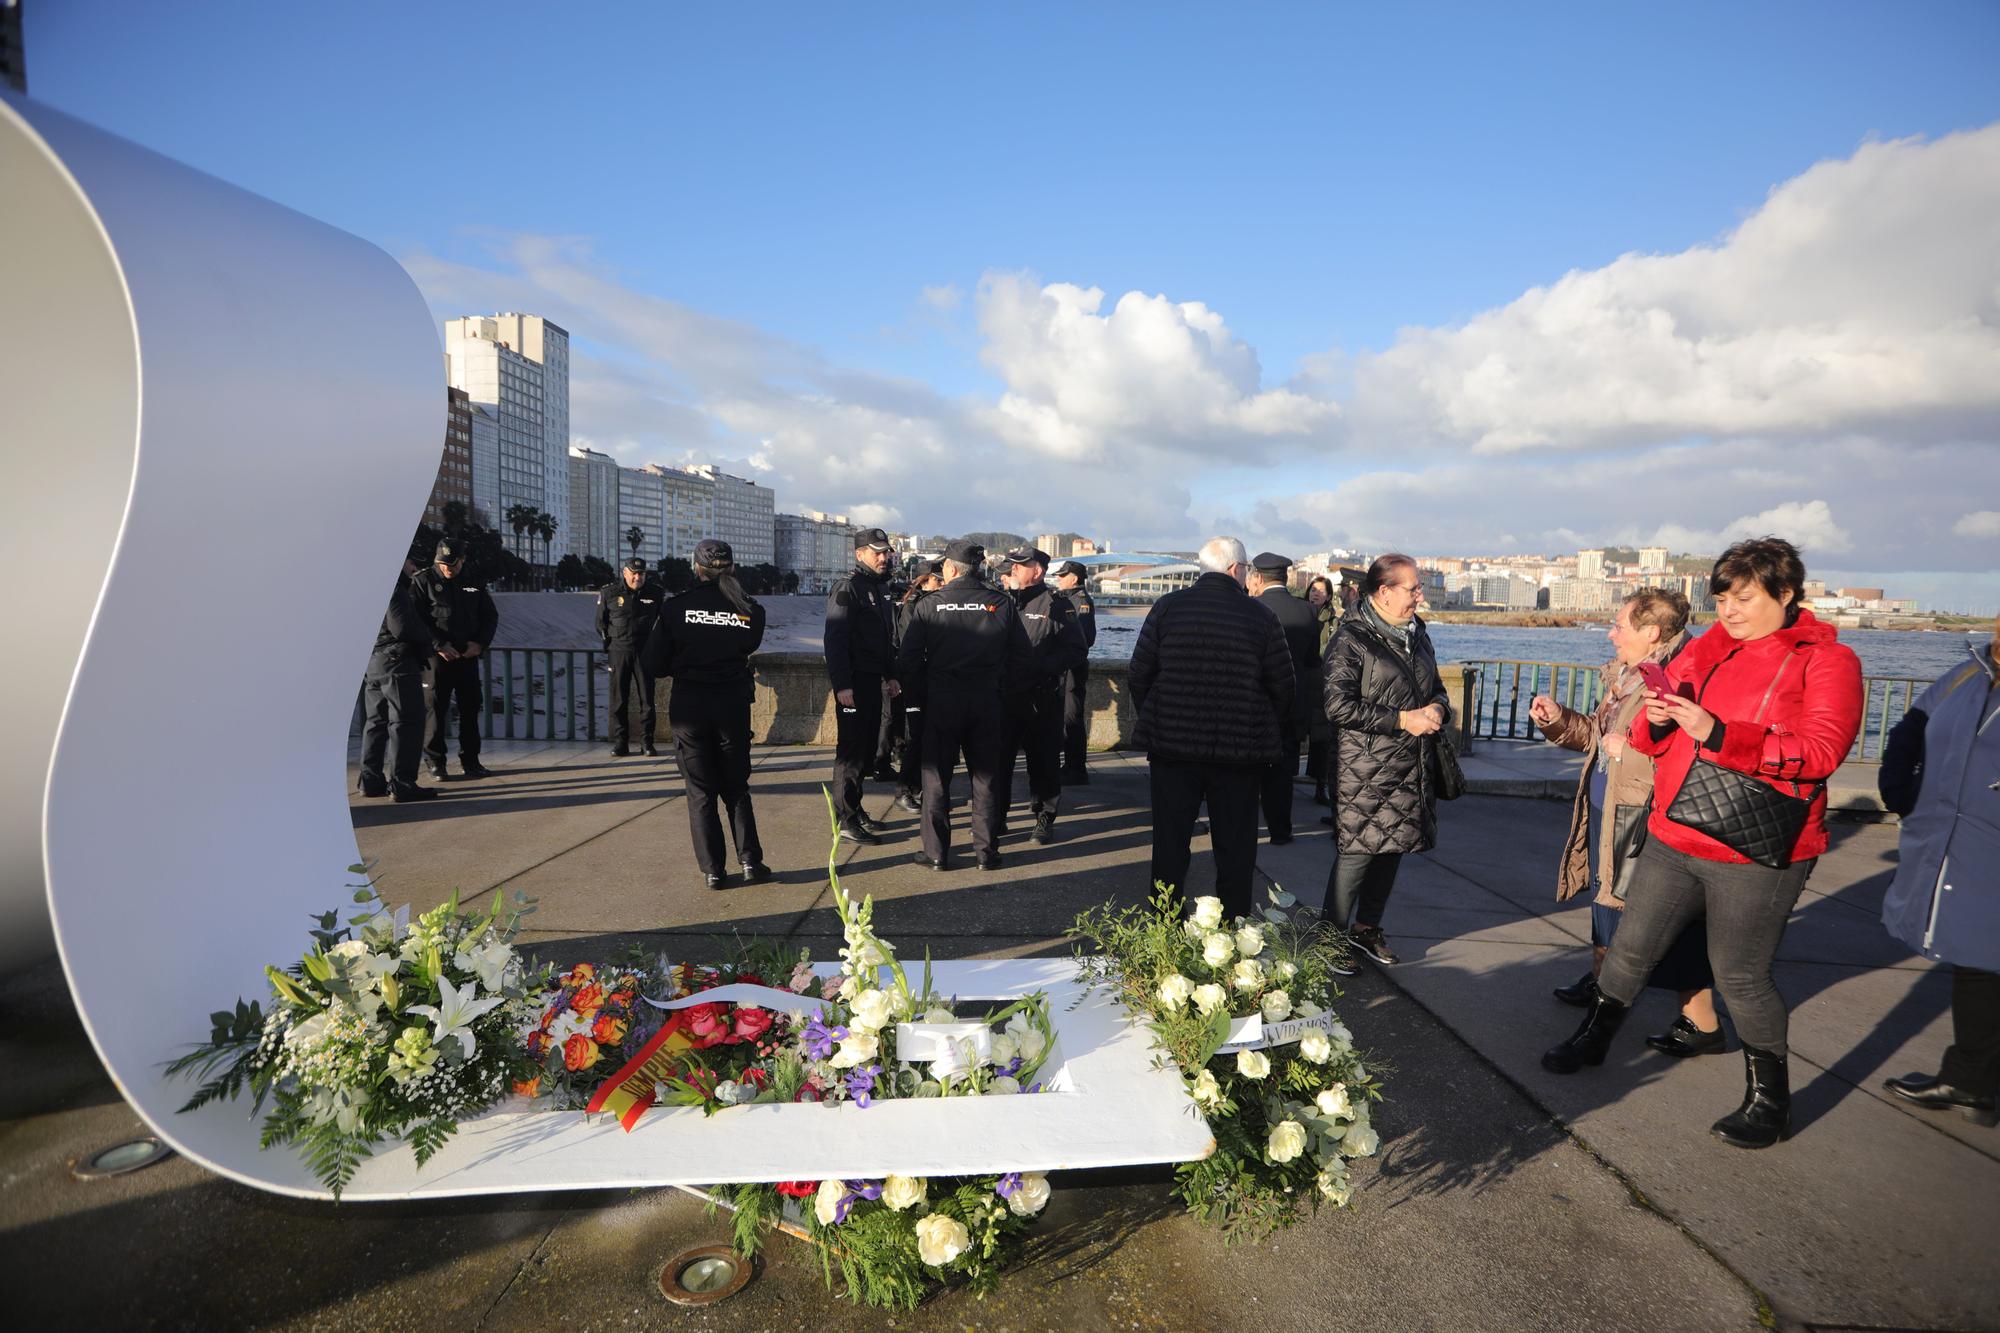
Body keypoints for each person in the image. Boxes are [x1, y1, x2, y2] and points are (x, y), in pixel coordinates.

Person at [1542, 536, 1863, 1152]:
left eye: (1744, 598)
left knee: (1741, 975)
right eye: (1722, 598)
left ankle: (1770, 1101)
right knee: (1631, 947)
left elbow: (1821, 754)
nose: (1730, 612)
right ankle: (1595, 1037)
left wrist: (1719, 732)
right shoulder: (1705, 652)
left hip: (1757, 845)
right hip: (1675, 828)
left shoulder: (1824, 661)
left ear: (1787, 594)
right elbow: (1647, 734)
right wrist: (1658, 721)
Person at [1529, 589, 1721, 1056]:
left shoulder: (1681, 678)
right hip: (1610, 802)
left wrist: (1630, 750)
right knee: (1607, 899)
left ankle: (1688, 1018)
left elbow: (1692, 755)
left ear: (1651, 633)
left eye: (1620, 626)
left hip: (1641, 812)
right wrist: (1558, 720)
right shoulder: (1631, 676)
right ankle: (1604, 983)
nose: (1611, 634)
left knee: (1657, 915)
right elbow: (1598, 737)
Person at [1876, 612, 2000, 1128]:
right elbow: (1913, 725)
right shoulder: (1973, 670)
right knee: (1977, 959)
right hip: (1960, 839)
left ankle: (1971, 1080)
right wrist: (1900, 789)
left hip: (1984, 839)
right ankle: (1969, 1082)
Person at [1129, 536, 1294, 919]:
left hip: (1173, 750)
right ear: (1237, 570)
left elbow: (1139, 674)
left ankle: (1165, 927)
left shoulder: (1167, 608)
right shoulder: (1261, 617)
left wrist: (1160, 717)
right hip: (1238, 754)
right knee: (1235, 849)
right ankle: (1234, 929)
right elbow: (1283, 687)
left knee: (1169, 845)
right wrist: (1259, 727)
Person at [1322, 553, 1451, 966]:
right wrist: (1401, 719)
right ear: (1383, 592)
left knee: (1393, 847)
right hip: (1364, 769)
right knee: (1357, 854)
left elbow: (1438, 690)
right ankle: (1329, 941)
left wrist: (1438, 711)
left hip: (1409, 766)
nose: (1419, 595)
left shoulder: (1418, 634)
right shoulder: (1351, 639)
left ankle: (1365, 929)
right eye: (1412, 588)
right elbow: (1337, 706)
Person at [895, 540, 1032, 872]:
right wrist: (1001, 691)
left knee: (935, 779)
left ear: (951, 569)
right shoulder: (1001, 604)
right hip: (986, 701)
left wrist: (919, 699)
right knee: (985, 778)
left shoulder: (930, 604)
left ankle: (936, 852)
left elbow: (908, 660)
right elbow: (1022, 658)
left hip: (942, 700)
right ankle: (986, 851)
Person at [642, 539, 771, 890]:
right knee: (736, 788)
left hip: (691, 705)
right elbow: (749, 645)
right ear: (731, 568)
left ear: (696, 568)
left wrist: (685, 662)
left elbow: (653, 664)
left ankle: (714, 870)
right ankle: (750, 861)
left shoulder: (675, 609)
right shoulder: (750, 610)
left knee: (700, 791)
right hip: (730, 704)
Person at [997, 545, 1087, 844]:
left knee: (1044, 764)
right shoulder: (1000, 602)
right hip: (1004, 698)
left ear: (1037, 571)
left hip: (1041, 698)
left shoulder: (1057, 605)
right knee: (998, 762)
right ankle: (996, 818)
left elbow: (1076, 649)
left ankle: (1044, 818)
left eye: (1019, 565)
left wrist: (1040, 666)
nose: (1013, 570)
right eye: (1011, 565)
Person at [824, 527, 901, 845]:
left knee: (867, 749)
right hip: (853, 683)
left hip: (873, 681)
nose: (884, 557)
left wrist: (891, 673)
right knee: (851, 753)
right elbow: (836, 639)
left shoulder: (879, 589)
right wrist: (842, 685)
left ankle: (855, 808)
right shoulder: (849, 587)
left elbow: (883, 639)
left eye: (886, 552)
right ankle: (845, 817)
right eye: (877, 552)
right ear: (859, 554)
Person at [410, 536, 498, 780]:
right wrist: (439, 644)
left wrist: (479, 644)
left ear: (463, 560)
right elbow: (415, 619)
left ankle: (471, 760)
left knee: (470, 709)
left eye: (454, 564)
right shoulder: (423, 581)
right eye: (444, 564)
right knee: (435, 711)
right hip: (438, 658)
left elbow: (490, 616)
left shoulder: (474, 582)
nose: (449, 569)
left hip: (467, 655)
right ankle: (436, 762)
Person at [1249, 552, 1320, 845]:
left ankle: (1244, 829)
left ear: (1258, 578)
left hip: (1257, 703)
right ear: (1286, 577)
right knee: (1283, 772)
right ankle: (1281, 830)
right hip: (1293, 702)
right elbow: (1312, 663)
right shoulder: (1307, 612)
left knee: (1249, 772)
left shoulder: (1251, 608)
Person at [358, 544, 438, 803]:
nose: (415, 567)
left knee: (375, 722)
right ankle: (403, 783)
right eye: (411, 562)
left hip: (374, 661)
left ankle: (369, 781)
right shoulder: (394, 586)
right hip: (397, 663)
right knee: (407, 722)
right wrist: (426, 639)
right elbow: (401, 626)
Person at [596, 557, 665, 757]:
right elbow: (600, 624)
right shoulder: (609, 592)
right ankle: (621, 743)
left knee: (648, 701)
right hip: (619, 652)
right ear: (624, 572)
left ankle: (647, 743)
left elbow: (663, 624)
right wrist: (611, 643)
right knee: (619, 701)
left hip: (645, 653)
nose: (637, 577)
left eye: (641, 573)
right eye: (633, 573)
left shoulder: (656, 593)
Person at [892, 560, 943, 813]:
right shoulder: (915, 605)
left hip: (927, 679)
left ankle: (919, 788)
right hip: (916, 680)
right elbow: (909, 646)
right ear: (924, 580)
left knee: (926, 737)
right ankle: (904, 790)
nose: (941, 583)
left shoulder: (925, 603)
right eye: (937, 579)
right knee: (917, 737)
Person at [1052, 559, 1098, 784]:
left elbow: (1085, 637)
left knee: (1072, 717)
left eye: (1062, 576)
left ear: (1075, 578)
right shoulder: (1065, 598)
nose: (1058, 579)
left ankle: (1076, 768)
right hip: (1063, 667)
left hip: (1072, 668)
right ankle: (1069, 765)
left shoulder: (1080, 601)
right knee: (1064, 716)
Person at [1305, 574, 1338, 809]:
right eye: (1313, 589)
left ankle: (1320, 786)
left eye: (1321, 590)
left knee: (1321, 740)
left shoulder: (1333, 621)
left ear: (1328, 596)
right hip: (1301, 680)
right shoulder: (1299, 613)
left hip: (1321, 684)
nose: (1316, 593)